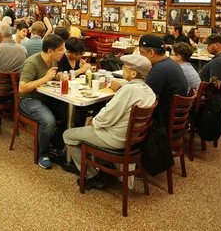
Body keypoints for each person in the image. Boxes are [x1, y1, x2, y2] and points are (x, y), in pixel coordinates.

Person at [63, 55, 156, 187]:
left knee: (68, 135)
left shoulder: (129, 90)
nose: (122, 69)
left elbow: (108, 117)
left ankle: (92, 175)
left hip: (115, 138)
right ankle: (102, 166)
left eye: (124, 67)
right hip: (134, 139)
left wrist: (93, 121)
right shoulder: (149, 91)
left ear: (134, 73)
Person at [18, 34, 67, 169]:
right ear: (50, 51)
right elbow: (22, 88)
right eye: (61, 49)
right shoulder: (32, 62)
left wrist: (56, 77)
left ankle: (56, 143)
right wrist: (46, 78)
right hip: (28, 100)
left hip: (47, 98)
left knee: (71, 114)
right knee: (48, 121)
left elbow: (49, 78)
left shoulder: (53, 60)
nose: (63, 52)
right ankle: (43, 154)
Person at [136, 34, 187, 123]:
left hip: (164, 120)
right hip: (176, 115)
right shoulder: (171, 63)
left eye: (141, 53)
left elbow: (143, 97)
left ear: (151, 53)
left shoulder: (159, 69)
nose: (140, 56)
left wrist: (120, 88)